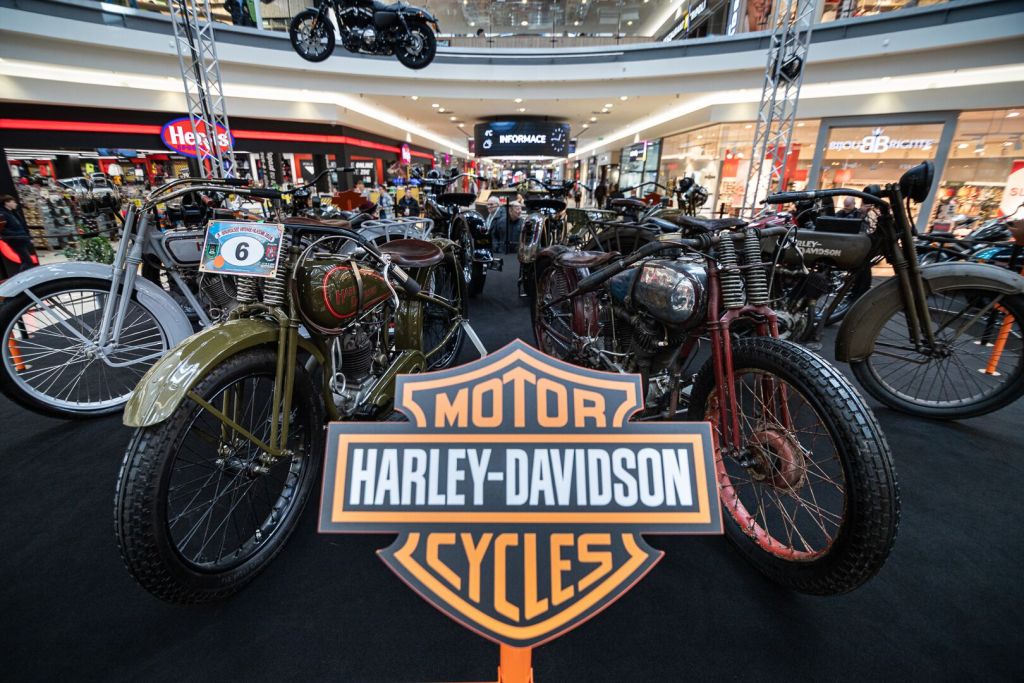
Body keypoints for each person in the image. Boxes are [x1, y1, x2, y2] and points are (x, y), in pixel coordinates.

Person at [0, 194, 37, 274]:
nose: (15, 204)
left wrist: (27, 236)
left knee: (25, 260)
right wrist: (19, 235)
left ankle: (23, 276)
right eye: (13, 202)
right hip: (15, 240)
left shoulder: (13, 213)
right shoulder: (2, 214)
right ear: (7, 203)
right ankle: (22, 277)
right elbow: (3, 230)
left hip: (21, 239)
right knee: (27, 261)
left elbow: (21, 226)